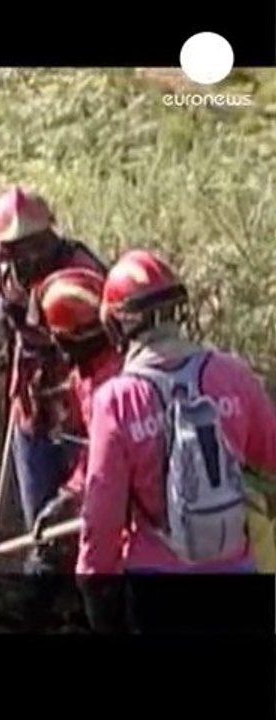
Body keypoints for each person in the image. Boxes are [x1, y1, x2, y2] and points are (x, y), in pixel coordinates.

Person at [76, 249, 276, 630]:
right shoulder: (233, 375)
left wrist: (94, 583)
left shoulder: (116, 401)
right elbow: (270, 459)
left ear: (117, 324)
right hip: (237, 567)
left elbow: (102, 513)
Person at [0, 186, 107, 537]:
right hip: (32, 407)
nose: (29, 254)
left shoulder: (83, 273)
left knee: (82, 522)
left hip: (82, 415)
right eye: (17, 246)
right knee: (39, 523)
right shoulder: (4, 273)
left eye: (36, 242)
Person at [27, 267, 123, 571]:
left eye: (57, 338)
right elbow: (91, 452)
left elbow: (104, 464)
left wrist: (73, 498)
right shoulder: (91, 373)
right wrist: (67, 496)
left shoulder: (111, 385)